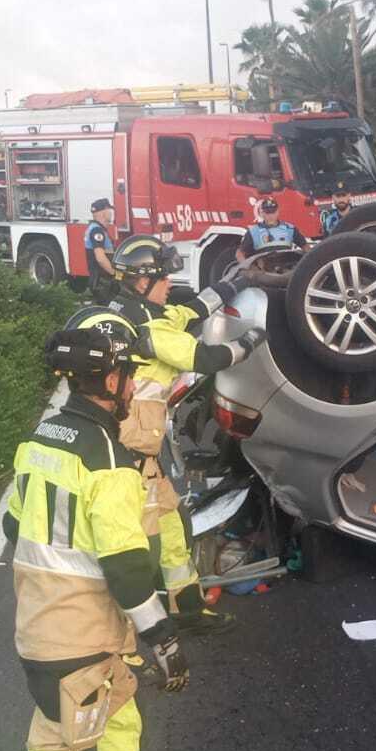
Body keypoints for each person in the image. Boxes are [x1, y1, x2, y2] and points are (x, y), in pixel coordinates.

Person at [0, 323, 192, 751]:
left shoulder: (41, 439)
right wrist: (164, 640)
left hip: (51, 622)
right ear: (110, 380)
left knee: (121, 708)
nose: (135, 383)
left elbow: (12, 527)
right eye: (129, 373)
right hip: (73, 636)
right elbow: (129, 569)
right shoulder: (108, 459)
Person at [98, 235, 265, 633]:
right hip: (128, 457)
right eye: (164, 276)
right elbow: (205, 358)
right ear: (143, 281)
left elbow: (190, 311)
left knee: (173, 529)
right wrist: (253, 340)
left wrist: (235, 282)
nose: (170, 282)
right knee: (134, 547)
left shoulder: (135, 309)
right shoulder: (148, 326)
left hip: (145, 452)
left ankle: (187, 611)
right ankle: (119, 635)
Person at [236, 197, 309, 262]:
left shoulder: (290, 229)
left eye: (273, 212)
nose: (270, 216)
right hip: (263, 272)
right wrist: (248, 269)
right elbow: (240, 254)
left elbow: (306, 247)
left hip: (287, 269)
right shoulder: (253, 231)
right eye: (267, 213)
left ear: (278, 212)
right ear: (261, 213)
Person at [85, 198, 117, 276]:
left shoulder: (95, 228)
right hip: (102, 281)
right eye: (109, 210)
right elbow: (100, 258)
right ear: (103, 213)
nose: (111, 213)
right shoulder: (97, 231)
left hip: (100, 279)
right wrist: (115, 274)